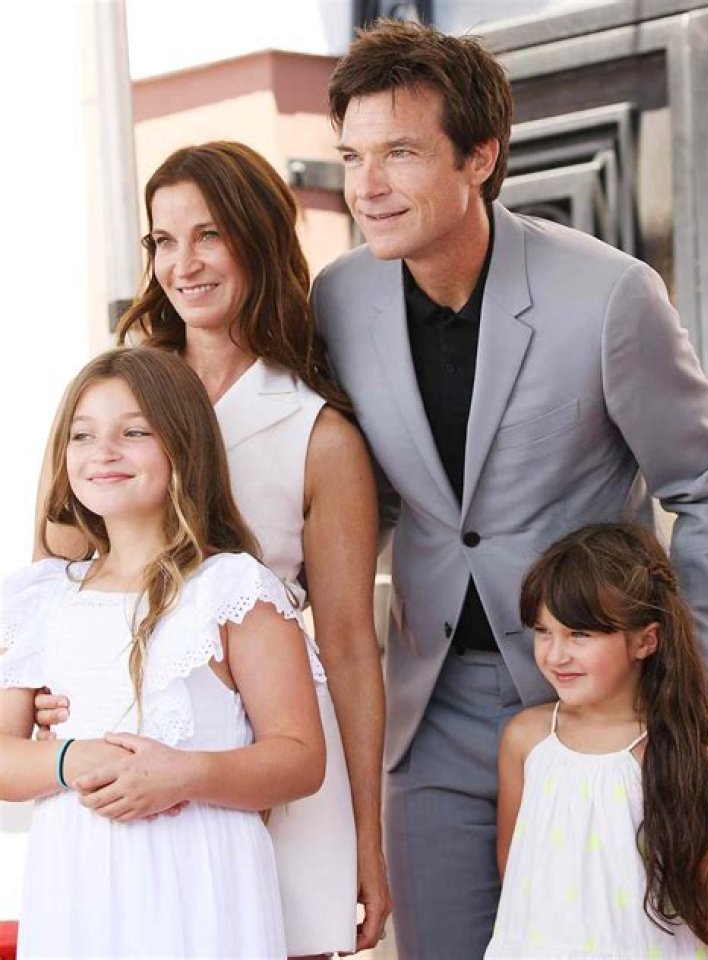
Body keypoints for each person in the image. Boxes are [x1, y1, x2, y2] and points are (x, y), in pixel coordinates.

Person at [311, 17, 708, 959]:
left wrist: (697, 684)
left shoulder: (610, 295)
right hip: (432, 708)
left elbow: (703, 484)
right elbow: (355, 497)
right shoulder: (337, 298)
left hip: (605, 705)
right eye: (352, 157)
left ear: (481, 155)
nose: (366, 187)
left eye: (400, 152)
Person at [34, 142, 390, 957]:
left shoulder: (320, 433)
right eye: (163, 240)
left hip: (276, 756)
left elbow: (347, 646)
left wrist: (368, 835)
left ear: (258, 238)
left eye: (209, 235)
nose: (183, 264)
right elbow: (58, 570)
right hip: (123, 780)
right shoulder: (117, 399)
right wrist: (49, 688)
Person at [1, 346, 326, 959]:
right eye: (83, 435)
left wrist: (185, 775)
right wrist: (72, 758)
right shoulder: (42, 596)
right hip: (76, 893)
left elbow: (301, 759)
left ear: (183, 445)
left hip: (200, 891)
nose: (104, 452)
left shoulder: (232, 589)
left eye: (134, 432)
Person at [485, 522, 708, 958]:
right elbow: (515, 875)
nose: (555, 654)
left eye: (580, 634)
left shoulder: (672, 750)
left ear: (645, 641)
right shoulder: (526, 740)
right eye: (543, 631)